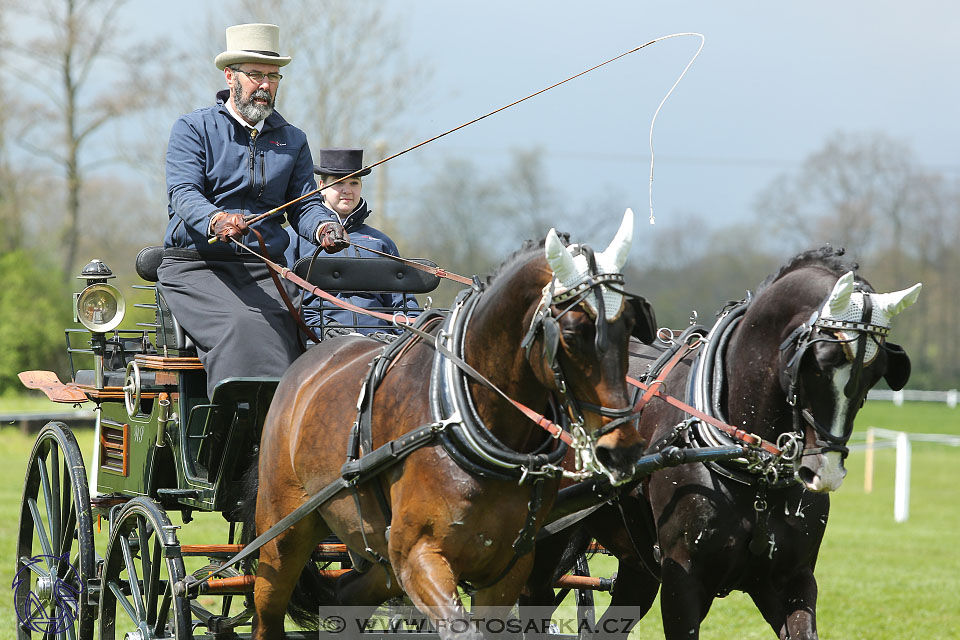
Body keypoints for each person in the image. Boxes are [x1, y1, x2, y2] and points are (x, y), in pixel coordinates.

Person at [157, 23, 348, 399]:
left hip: (265, 269)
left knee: (300, 329)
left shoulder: (293, 139)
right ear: (230, 77)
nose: (264, 85)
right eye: (255, 75)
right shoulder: (193, 128)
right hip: (199, 266)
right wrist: (217, 219)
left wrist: (325, 227)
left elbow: (305, 204)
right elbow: (183, 192)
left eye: (273, 76)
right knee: (242, 325)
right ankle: (228, 446)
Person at [285, 148, 417, 335]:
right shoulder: (294, 238)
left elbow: (401, 302)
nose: (347, 190)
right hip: (318, 343)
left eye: (354, 183)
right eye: (339, 183)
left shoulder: (381, 242)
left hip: (380, 344)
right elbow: (287, 298)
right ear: (321, 186)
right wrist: (321, 328)